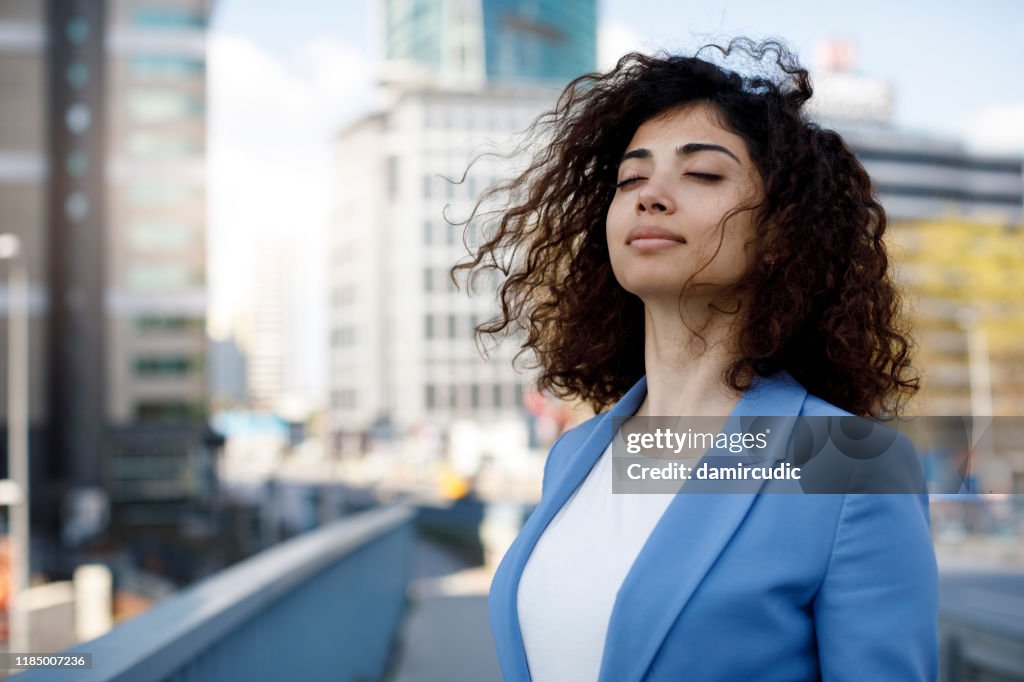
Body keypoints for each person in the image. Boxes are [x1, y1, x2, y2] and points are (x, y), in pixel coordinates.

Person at [454, 38, 937, 682]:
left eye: (702, 173)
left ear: (778, 235)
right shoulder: (576, 455)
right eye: (631, 178)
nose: (650, 194)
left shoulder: (851, 468)